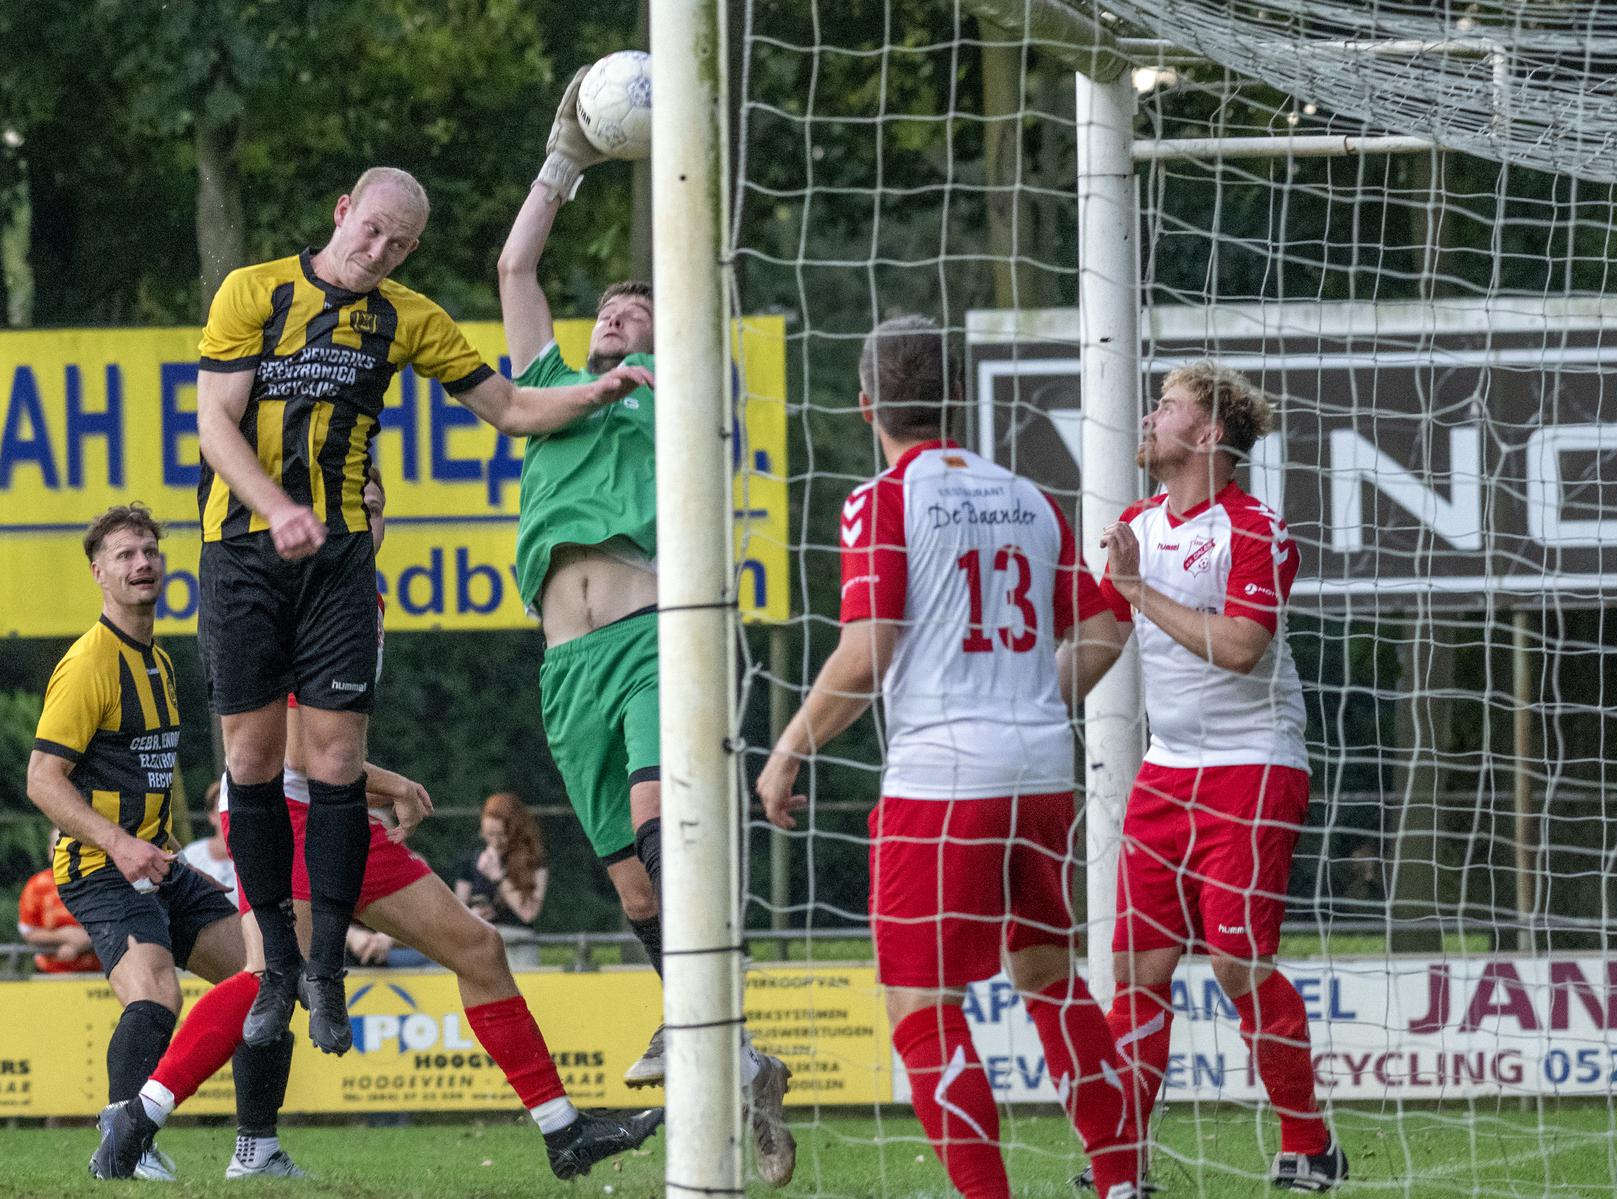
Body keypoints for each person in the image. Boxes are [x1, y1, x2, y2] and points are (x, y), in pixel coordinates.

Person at [91, 469, 663, 1183]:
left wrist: (378, 788)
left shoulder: (363, 593)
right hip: (286, 813)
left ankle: (563, 1130)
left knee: (478, 947)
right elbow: (295, 747)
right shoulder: (302, 591)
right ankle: (139, 1117)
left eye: (373, 504)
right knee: (271, 970)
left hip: (334, 815)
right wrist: (392, 783)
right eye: (348, 507)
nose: (365, 517)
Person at [194, 165, 653, 1055]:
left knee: (336, 761)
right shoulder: (253, 291)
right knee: (250, 760)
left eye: (400, 244)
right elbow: (217, 422)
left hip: (338, 561)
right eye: (371, 231)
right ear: (342, 212)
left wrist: (594, 393)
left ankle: (325, 967)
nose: (379, 252)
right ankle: (279, 965)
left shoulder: (408, 316)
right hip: (243, 554)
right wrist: (277, 506)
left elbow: (513, 406)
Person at [753, 316, 1141, 1199]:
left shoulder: (883, 498)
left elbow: (869, 649)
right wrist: (1034, 699)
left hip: (941, 781)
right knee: (1048, 977)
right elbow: (1107, 628)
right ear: (957, 398)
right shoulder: (1032, 496)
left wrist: (788, 748)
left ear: (866, 404)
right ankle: (1122, 1183)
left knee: (923, 1005)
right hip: (1043, 773)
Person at [503, 75, 797, 1187]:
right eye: (608, 315)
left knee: (651, 820)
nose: (616, 321)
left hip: (647, 639)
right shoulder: (548, 390)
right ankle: (737, 1052)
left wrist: (659, 336)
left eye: (637, 313)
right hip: (565, 666)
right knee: (631, 887)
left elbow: (680, 322)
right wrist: (562, 160)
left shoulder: (665, 392)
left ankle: (704, 1038)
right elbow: (515, 270)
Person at [1073, 362, 1345, 1192]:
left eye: (1168, 404)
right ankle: (1124, 1162)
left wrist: (1137, 588)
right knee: (1137, 971)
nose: (1149, 415)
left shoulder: (1254, 526)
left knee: (1235, 961)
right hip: (1167, 773)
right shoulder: (1136, 526)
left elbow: (1238, 648)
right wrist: (1024, 708)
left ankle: (1310, 1144)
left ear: (1210, 432)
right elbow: (1098, 641)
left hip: (1254, 763)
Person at [24, 503, 254, 1182]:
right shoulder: (89, 663)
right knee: (154, 995)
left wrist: (161, 840)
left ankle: (257, 1149)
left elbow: (139, 768)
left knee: (265, 978)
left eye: (149, 550)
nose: (141, 563)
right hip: (100, 866)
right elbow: (42, 779)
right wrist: (121, 843)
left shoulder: (158, 659)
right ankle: (123, 1142)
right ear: (99, 572)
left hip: (156, 859)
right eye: (124, 554)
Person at [454, 791, 547, 965]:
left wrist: (499, 877)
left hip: (519, 944)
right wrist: (473, 915)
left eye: (502, 834)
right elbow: (458, 913)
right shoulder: (471, 860)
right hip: (482, 941)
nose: (495, 842)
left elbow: (528, 913)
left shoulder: (533, 860)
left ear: (515, 831)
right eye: (489, 834)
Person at [19, 833, 101, 974]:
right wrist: (64, 938)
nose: (65, 850)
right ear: (50, 850)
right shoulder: (37, 885)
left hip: (101, 972)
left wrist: (86, 940)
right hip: (48, 973)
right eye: (58, 845)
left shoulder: (100, 882)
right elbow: (28, 931)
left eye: (72, 845)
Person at [178, 780, 238, 893]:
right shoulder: (192, 854)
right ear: (212, 816)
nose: (230, 812)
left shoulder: (257, 855)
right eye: (223, 807)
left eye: (235, 806)